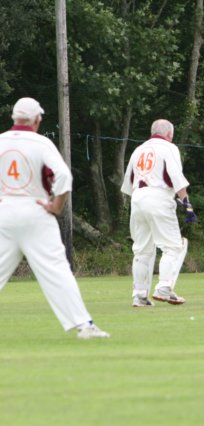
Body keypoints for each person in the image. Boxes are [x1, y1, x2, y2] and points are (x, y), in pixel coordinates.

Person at [0, 97, 110, 339]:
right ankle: (84, 325)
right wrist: (56, 207)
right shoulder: (41, 143)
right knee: (57, 271)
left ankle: (84, 325)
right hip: (35, 211)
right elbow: (63, 177)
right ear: (36, 119)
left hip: (4, 212)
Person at [121, 119, 196, 307]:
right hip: (159, 197)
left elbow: (128, 183)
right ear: (169, 134)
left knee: (141, 250)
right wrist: (187, 204)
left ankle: (139, 295)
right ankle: (164, 287)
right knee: (173, 247)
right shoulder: (169, 148)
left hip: (137, 199)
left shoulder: (138, 150)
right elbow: (176, 177)